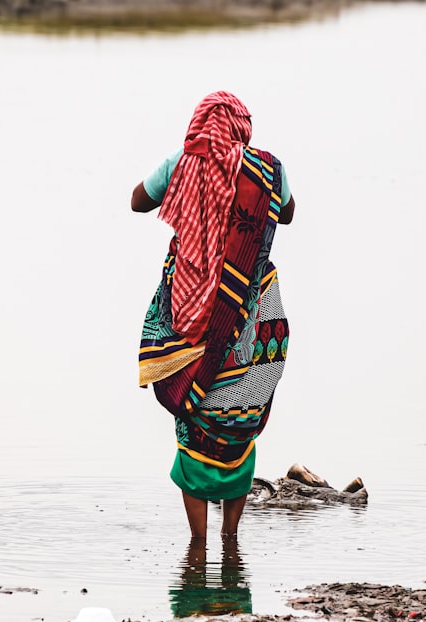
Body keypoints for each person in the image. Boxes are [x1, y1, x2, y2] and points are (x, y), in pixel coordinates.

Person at [131, 91, 295, 538]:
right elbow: (289, 213)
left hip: (191, 315)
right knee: (241, 419)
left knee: (195, 416)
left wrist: (188, 181)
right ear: (242, 126)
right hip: (254, 313)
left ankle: (198, 544)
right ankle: (230, 539)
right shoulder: (268, 170)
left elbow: (136, 202)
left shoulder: (182, 163)